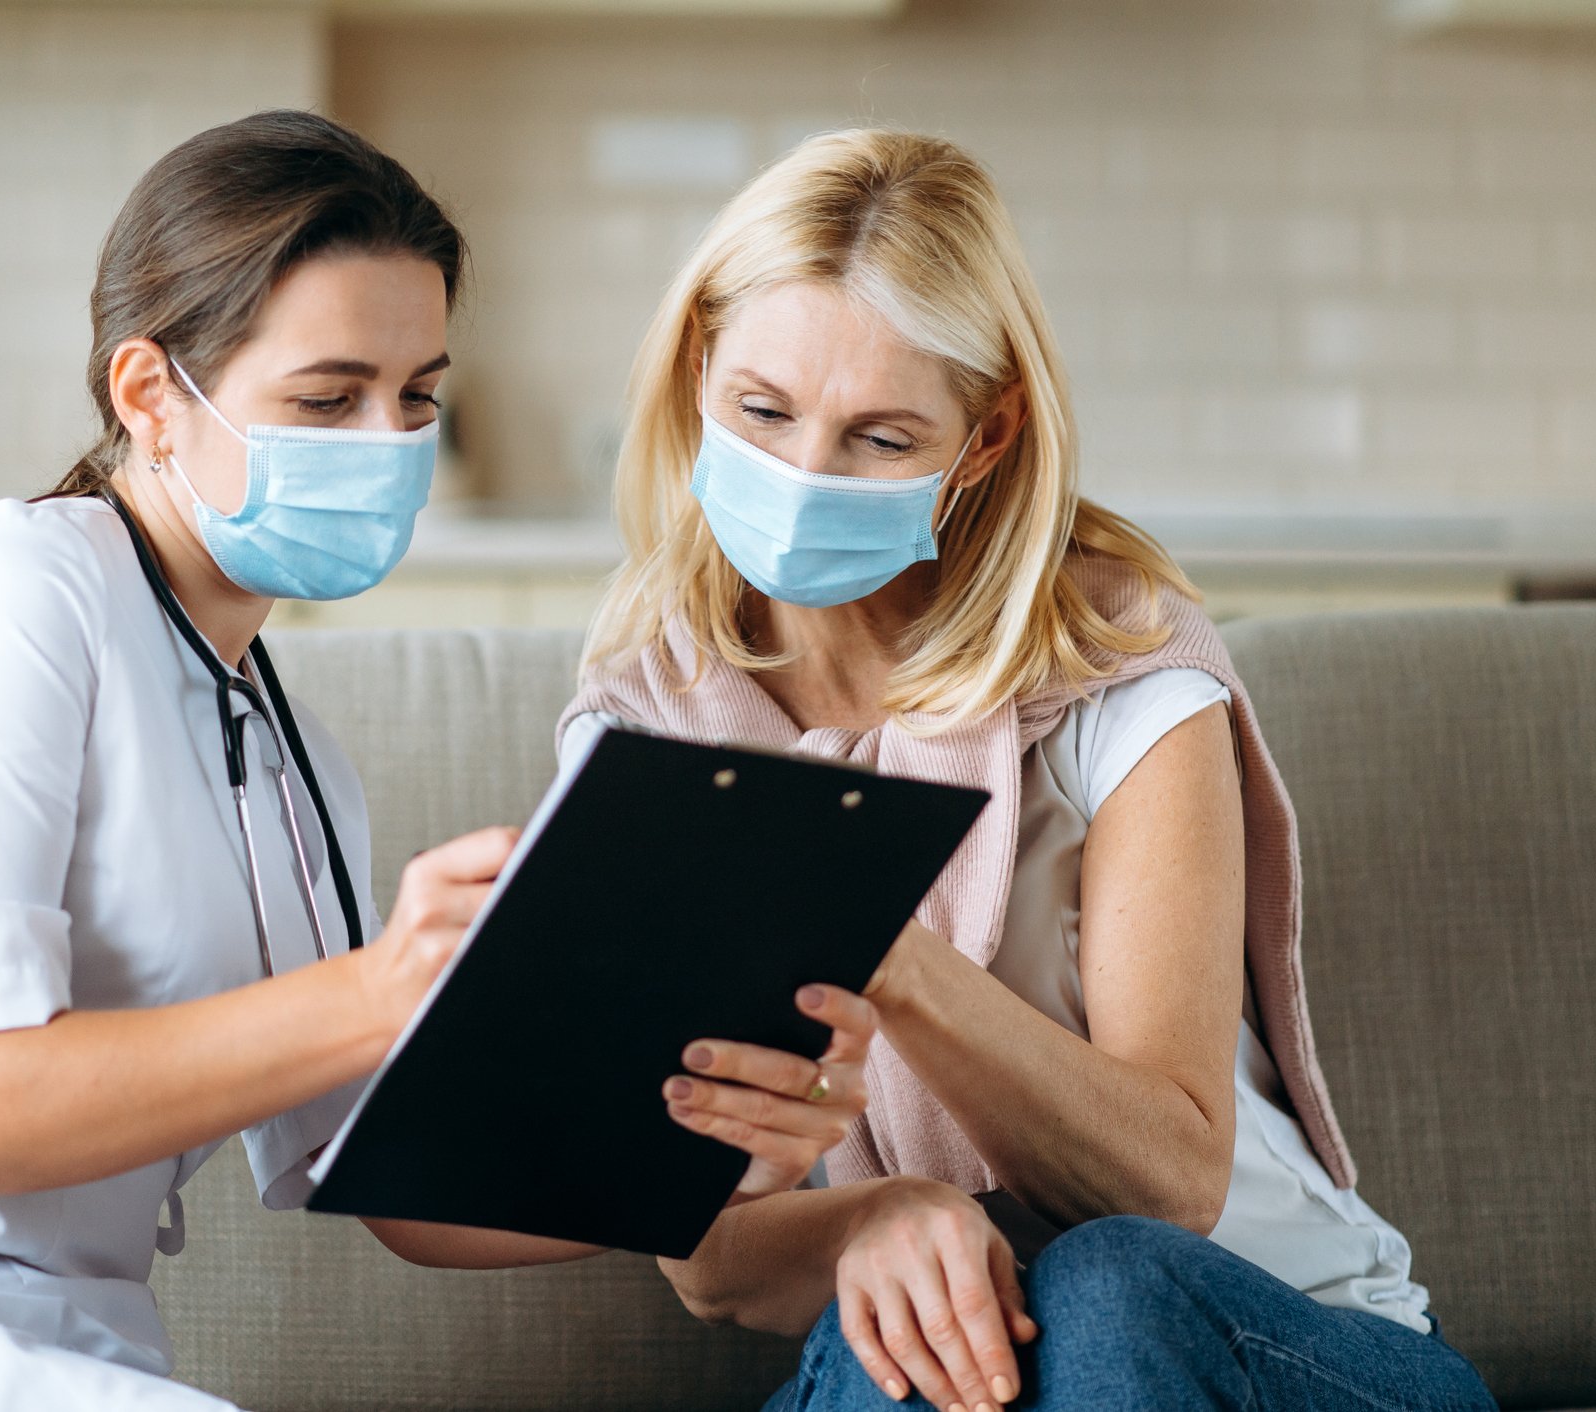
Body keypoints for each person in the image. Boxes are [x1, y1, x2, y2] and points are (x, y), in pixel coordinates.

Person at [0, 111, 877, 1412]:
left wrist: (709, 1146)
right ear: (150, 395)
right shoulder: (3, 601)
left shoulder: (289, 750)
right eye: (325, 398)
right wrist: (382, 988)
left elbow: (406, 1195)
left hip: (49, 1355)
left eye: (417, 397)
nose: (387, 445)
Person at [560, 128, 1498, 1412]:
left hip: (1270, 1336)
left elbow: (1169, 1185)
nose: (801, 477)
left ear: (983, 439)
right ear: (697, 371)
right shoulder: (644, 726)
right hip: (947, 1352)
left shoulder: (1127, 670)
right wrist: (881, 1214)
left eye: (881, 439)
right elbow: (710, 1263)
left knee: (1104, 1277)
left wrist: (877, 942)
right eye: (762, 412)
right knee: (919, 1345)